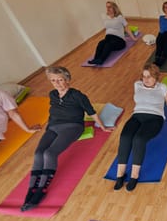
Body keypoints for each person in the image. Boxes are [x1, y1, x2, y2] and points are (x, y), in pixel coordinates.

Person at [21, 66, 112, 211]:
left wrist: (102, 127)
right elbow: (53, 112)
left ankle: (41, 190)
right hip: (53, 127)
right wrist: (48, 127)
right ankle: (31, 189)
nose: (57, 83)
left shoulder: (78, 96)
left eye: (60, 80)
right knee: (38, 153)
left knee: (50, 153)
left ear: (67, 80)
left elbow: (91, 112)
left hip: (72, 126)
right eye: (53, 80)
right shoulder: (52, 94)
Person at [113, 63, 167, 191]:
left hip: (155, 118)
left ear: (156, 77)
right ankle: (120, 175)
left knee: (139, 139)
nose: (146, 79)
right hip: (137, 116)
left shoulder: (163, 87)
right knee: (125, 137)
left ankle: (134, 176)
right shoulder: (137, 85)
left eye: (150, 77)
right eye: (144, 76)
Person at [87, 1, 137, 65]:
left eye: (109, 7)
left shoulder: (119, 17)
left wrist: (133, 38)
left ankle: (101, 60)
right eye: (106, 7)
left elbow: (126, 28)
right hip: (108, 38)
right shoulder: (105, 16)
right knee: (101, 43)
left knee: (108, 45)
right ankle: (95, 59)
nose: (107, 8)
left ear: (114, 8)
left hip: (119, 40)